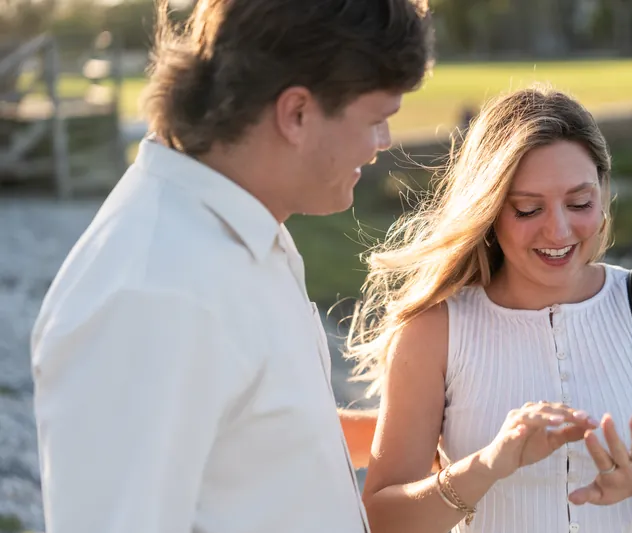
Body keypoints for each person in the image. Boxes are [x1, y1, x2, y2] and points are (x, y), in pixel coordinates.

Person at [29, 1, 433, 532]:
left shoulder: (241, 231)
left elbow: (251, 438)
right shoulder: (151, 293)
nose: (382, 144)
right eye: (377, 120)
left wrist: (429, 438)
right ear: (297, 114)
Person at [344, 84, 632, 533]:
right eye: (528, 209)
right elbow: (385, 519)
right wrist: (487, 465)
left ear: (603, 194)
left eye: (579, 202)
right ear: (488, 211)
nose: (559, 229)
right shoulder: (434, 329)